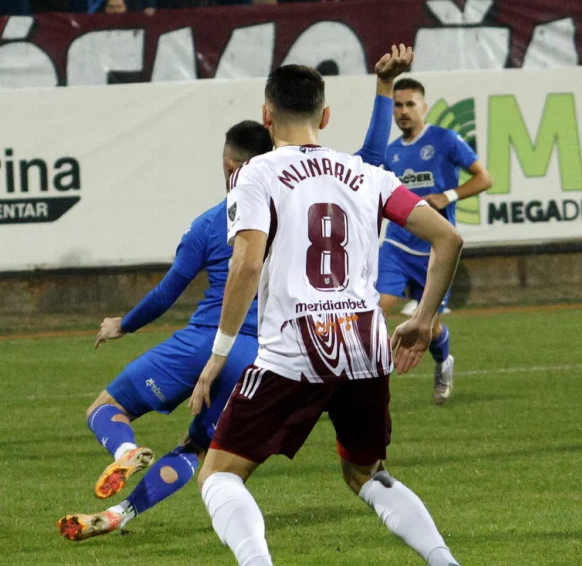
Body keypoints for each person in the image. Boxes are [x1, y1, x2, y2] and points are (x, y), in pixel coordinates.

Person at [56, 46, 415, 542]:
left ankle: (123, 451)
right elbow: (372, 158)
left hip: (209, 339)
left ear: (233, 161)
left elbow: (168, 291)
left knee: (105, 409)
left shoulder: (211, 220)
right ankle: (122, 514)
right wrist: (383, 89)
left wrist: (125, 324)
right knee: (203, 453)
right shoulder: (321, 185)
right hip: (269, 354)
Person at [190, 64, 464, 566]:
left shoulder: (258, 172)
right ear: (327, 115)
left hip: (295, 350)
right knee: (367, 474)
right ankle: (444, 560)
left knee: (219, 474)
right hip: (365, 347)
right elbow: (448, 237)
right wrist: (424, 319)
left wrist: (219, 354)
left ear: (266, 116)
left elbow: (247, 264)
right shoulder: (368, 174)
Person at [379, 78, 493, 404]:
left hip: (435, 249)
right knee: (376, 306)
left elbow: (484, 177)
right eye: (397, 105)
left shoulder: (444, 140)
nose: (402, 111)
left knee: (429, 325)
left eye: (409, 104)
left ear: (423, 107)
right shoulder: (391, 152)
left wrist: (448, 195)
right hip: (397, 245)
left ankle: (444, 362)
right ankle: (362, 381)